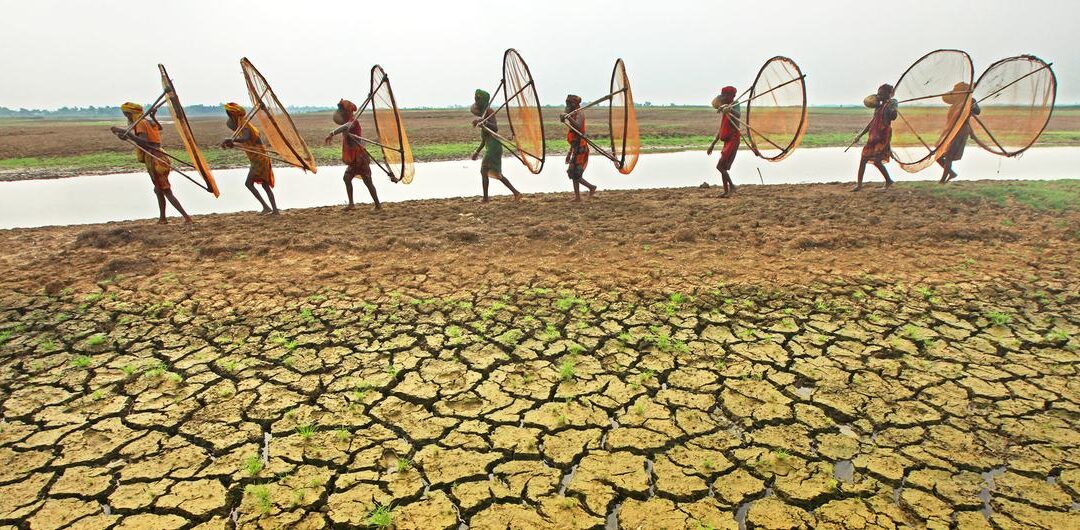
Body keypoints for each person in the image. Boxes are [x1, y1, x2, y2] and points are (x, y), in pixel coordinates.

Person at [110, 102, 193, 224]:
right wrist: (126, 135)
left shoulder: (141, 123)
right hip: (160, 156)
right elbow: (159, 128)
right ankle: (163, 218)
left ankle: (187, 218)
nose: (126, 117)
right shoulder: (148, 121)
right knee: (158, 189)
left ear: (129, 113)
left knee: (165, 190)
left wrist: (125, 133)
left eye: (126, 114)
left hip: (154, 159)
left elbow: (144, 142)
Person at [325, 99, 393, 210]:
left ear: (347, 112)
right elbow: (345, 127)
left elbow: (347, 126)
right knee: (347, 178)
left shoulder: (353, 121)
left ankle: (377, 205)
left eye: (342, 111)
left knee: (367, 181)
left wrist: (332, 133)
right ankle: (352, 204)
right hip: (354, 158)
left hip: (360, 158)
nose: (340, 113)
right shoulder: (350, 121)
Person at [221, 102, 278, 214]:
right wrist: (232, 143)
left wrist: (232, 140)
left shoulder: (245, 125)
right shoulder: (241, 126)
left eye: (229, 114)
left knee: (249, 183)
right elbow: (246, 143)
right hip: (257, 158)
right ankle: (272, 209)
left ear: (233, 115)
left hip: (259, 158)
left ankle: (268, 208)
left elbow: (246, 139)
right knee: (265, 185)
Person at [470, 89, 522, 202]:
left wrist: (484, 122)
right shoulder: (484, 114)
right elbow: (484, 140)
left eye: (478, 99)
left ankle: (485, 198)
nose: (476, 101)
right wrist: (477, 152)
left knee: (484, 170)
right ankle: (516, 193)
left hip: (494, 146)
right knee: (496, 173)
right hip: (490, 146)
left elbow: (495, 128)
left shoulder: (489, 112)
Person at [855, 84, 898, 192]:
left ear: (888, 94)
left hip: (883, 136)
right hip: (874, 135)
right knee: (863, 158)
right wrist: (860, 135)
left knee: (877, 160)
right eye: (878, 93)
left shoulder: (892, 103)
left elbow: (893, 117)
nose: (879, 95)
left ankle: (888, 181)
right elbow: (872, 123)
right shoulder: (878, 107)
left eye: (881, 94)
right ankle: (859, 185)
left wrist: (893, 110)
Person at [938, 82, 981, 184]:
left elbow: (978, 111)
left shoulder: (970, 101)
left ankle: (942, 180)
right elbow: (945, 98)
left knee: (949, 156)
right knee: (938, 156)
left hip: (961, 132)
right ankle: (951, 173)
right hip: (951, 131)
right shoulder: (956, 101)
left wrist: (971, 106)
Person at [707, 86, 741, 197]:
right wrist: (712, 144)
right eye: (723, 95)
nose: (724, 97)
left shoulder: (735, 104)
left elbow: (738, 115)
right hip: (727, 141)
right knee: (722, 167)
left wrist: (730, 109)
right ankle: (727, 191)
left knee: (720, 166)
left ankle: (732, 187)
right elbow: (722, 128)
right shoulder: (724, 108)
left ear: (730, 96)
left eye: (726, 95)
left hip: (733, 139)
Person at [562, 95, 596, 201]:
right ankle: (577, 197)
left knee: (576, 174)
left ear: (574, 104)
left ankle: (591, 187)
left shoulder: (580, 113)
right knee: (572, 172)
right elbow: (573, 134)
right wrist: (569, 153)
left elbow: (578, 127)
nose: (567, 106)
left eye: (569, 104)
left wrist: (568, 117)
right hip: (575, 147)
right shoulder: (572, 114)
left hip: (581, 148)